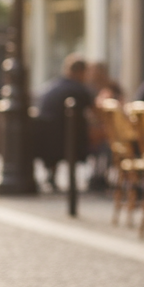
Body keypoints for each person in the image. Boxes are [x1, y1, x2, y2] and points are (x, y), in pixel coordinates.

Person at [34, 54, 95, 190]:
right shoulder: (78, 89)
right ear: (81, 72)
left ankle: (52, 176)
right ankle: (96, 178)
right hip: (67, 139)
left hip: (45, 139)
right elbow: (94, 111)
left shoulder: (52, 86)